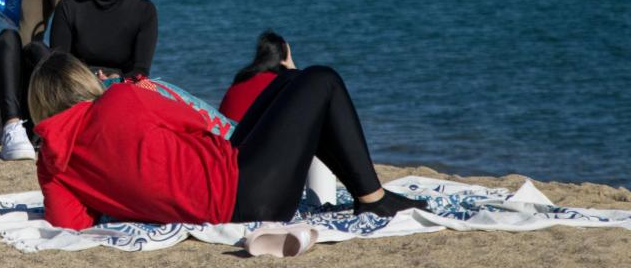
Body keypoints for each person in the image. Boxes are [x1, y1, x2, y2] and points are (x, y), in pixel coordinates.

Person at [27, 51, 428, 229]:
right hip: (246, 192)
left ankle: (363, 193)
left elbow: (70, 223)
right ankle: (372, 199)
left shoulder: (53, 164)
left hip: (234, 192)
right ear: (82, 80)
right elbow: (201, 123)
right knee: (321, 80)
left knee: (287, 81)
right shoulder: (120, 98)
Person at [220, 31, 296, 123]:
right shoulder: (278, 83)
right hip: (247, 135)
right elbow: (305, 100)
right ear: (284, 59)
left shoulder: (241, 80)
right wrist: (292, 68)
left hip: (225, 134)